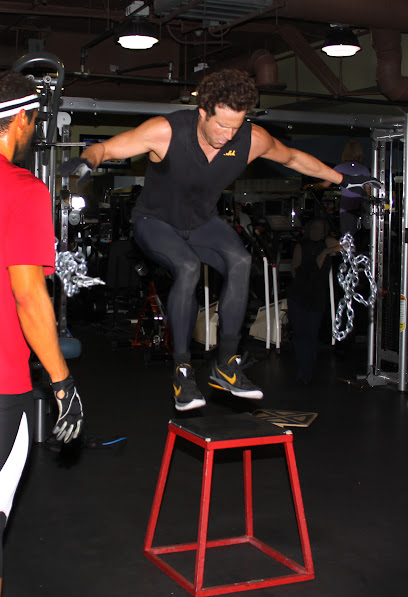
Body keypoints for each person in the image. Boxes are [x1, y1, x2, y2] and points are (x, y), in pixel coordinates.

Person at [60, 69, 380, 411]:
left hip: (202, 223)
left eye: (235, 127)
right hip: (155, 222)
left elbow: (291, 157)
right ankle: (182, 372)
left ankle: (225, 365)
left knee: (241, 261)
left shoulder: (251, 139)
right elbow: (107, 148)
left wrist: (342, 180)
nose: (228, 136)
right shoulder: (165, 131)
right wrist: (87, 161)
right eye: (221, 126)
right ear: (203, 112)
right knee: (187, 267)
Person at [0, 70, 83, 597]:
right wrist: (61, 382)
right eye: (33, 122)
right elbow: (29, 296)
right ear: (21, 121)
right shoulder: (23, 189)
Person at [287, 218, 341, 384]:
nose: (315, 231)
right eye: (313, 227)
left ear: (324, 231)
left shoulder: (326, 243)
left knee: (311, 335)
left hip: (316, 295)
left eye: (319, 228)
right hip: (299, 294)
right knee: (299, 335)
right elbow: (294, 270)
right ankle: (302, 371)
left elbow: (345, 246)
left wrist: (325, 252)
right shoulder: (301, 245)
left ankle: (308, 371)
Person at [304, 140, 372, 240]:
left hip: (346, 207)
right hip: (361, 207)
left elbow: (324, 185)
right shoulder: (364, 169)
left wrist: (310, 185)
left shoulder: (339, 168)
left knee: (347, 237)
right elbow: (368, 193)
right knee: (362, 236)